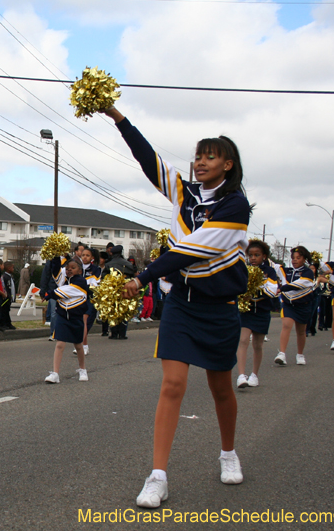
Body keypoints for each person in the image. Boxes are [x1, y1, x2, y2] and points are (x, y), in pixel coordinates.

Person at [105, 105, 250, 508]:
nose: (200, 162)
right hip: (182, 305)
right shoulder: (183, 192)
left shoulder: (235, 206)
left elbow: (192, 248)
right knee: (172, 385)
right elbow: (147, 157)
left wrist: (142, 277)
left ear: (228, 164)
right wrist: (117, 117)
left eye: (210, 155)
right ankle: (158, 476)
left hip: (219, 307)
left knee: (221, 388)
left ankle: (228, 453)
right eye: (197, 156)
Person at [236, 240, 278, 388]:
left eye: (257, 255)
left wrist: (253, 293)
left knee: (258, 345)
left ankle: (254, 374)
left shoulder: (270, 272)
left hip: (262, 311)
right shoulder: (243, 268)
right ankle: (241, 375)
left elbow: (272, 290)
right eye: (251, 255)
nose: (253, 258)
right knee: (243, 340)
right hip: (246, 312)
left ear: (264, 256)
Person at [44, 256, 89, 384]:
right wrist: (55, 256)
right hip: (63, 316)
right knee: (59, 344)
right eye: (68, 268)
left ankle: (82, 369)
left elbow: (63, 292)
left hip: (76, 318)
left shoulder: (80, 282)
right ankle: (55, 373)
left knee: (78, 346)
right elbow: (56, 272)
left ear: (80, 271)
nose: (69, 270)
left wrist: (49, 294)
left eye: (73, 268)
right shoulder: (64, 280)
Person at [275, 246, 315, 366]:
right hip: (288, 304)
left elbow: (299, 284)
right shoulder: (286, 271)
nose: (295, 260)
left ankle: (300, 354)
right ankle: (282, 354)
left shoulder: (308, 273)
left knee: (301, 331)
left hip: (303, 305)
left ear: (304, 259)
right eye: (293, 258)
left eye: (298, 258)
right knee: (286, 326)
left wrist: (282, 288)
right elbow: (272, 265)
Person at [103, 245, 137, 340]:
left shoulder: (109, 264)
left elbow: (103, 277)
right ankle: (122, 333)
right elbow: (132, 275)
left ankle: (113, 333)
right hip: (125, 289)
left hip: (112, 290)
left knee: (113, 310)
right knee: (123, 310)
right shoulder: (127, 264)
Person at [77, 247, 101, 355]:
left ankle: (83, 345)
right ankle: (83, 345)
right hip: (78, 298)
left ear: (92, 257)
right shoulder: (77, 268)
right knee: (81, 323)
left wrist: (84, 287)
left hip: (89, 298)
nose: (85, 257)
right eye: (83, 255)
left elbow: (95, 284)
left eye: (87, 255)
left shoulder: (96, 269)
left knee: (84, 321)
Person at [1, 261, 17, 330]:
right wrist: (7, 295)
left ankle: (8, 323)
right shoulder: (5, 277)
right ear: (9, 268)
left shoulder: (10, 277)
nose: (13, 269)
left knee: (7, 310)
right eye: (13, 268)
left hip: (10, 297)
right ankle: (5, 323)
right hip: (6, 298)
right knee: (4, 310)